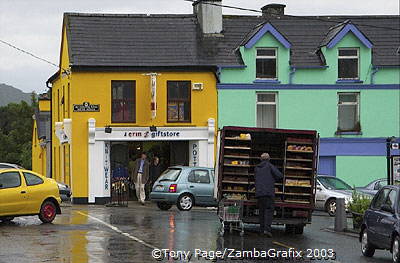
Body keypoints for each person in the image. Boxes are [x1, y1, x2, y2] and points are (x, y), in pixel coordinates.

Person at [255, 152, 283, 237]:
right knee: (269, 211)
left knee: (262, 212)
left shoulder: (256, 168)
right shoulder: (270, 166)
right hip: (268, 193)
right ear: (269, 159)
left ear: (260, 159)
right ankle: (267, 230)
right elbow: (279, 175)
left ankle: (261, 230)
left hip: (259, 194)